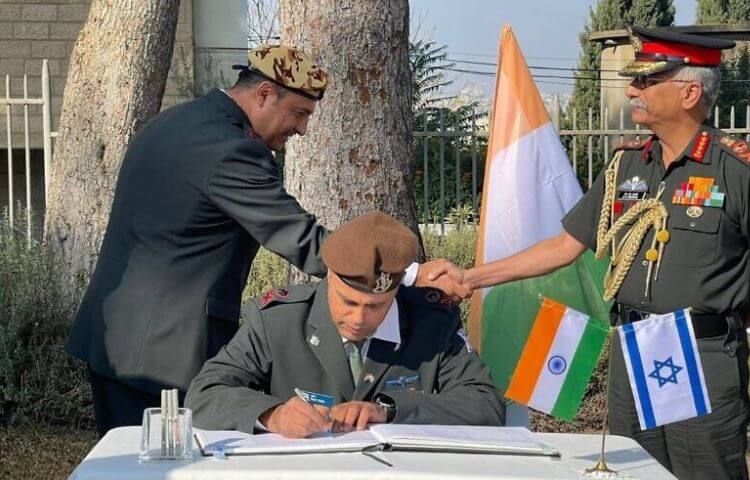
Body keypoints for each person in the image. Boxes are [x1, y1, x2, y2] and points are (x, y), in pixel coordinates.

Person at [67, 44, 468, 437]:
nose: (302, 128)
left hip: (116, 337)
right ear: (263, 94)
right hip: (165, 353)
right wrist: (407, 273)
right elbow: (302, 240)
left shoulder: (176, 122)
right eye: (299, 112)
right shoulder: (231, 150)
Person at [454, 27, 750, 479]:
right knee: (636, 470)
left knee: (704, 472)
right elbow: (564, 247)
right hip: (634, 348)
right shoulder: (627, 164)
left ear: (690, 92)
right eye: (635, 79)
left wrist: (719, 326)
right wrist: (471, 278)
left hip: (701, 355)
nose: (633, 89)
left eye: (647, 81)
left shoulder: (742, 170)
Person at [186, 211, 505, 435]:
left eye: (376, 306)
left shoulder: (431, 322)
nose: (358, 318)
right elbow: (205, 393)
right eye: (348, 301)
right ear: (329, 278)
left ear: (396, 292)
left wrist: (390, 410)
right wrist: (273, 414)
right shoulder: (278, 321)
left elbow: (485, 403)